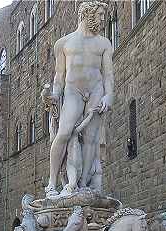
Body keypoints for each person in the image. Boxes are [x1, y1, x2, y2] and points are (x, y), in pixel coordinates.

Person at [43, 0, 114, 197]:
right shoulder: (63, 43)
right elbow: (59, 77)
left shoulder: (104, 43)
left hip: (96, 90)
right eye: (99, 15)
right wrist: (55, 95)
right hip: (73, 91)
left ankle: (82, 184)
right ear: (87, 14)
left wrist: (109, 95)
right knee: (64, 133)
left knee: (91, 139)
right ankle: (52, 182)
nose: (102, 19)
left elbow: (108, 74)